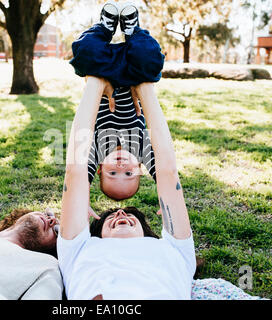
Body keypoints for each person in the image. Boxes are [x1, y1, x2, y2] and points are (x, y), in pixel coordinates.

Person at [58, 76, 195, 299]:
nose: (121, 212)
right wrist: (145, 87)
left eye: (109, 217)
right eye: (130, 215)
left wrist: (95, 83)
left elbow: (75, 172)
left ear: (96, 233)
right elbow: (168, 173)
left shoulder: (76, 251)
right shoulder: (177, 251)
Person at [71, 1, 165, 201]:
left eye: (112, 173)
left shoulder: (98, 150)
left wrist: (83, 201)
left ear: (100, 169)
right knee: (151, 60)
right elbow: (163, 172)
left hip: (103, 70)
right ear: (140, 167)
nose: (121, 167)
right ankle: (132, 31)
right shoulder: (141, 149)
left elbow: (82, 174)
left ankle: (104, 29)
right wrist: (166, 199)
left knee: (83, 52)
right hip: (133, 71)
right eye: (129, 173)